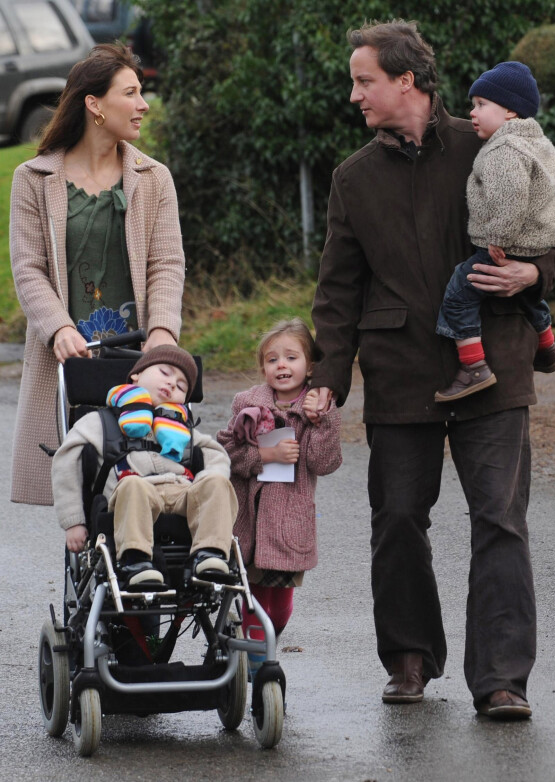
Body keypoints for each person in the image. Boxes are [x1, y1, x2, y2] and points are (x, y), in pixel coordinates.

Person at [309, 20, 555, 720]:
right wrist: (326, 382)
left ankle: (502, 680)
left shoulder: (491, 142)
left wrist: (531, 272)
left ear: (407, 80)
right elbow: (337, 292)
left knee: (500, 521)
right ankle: (409, 659)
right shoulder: (352, 179)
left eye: (364, 80)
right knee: (397, 518)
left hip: (496, 366)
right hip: (399, 373)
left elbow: (554, 234)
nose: (355, 93)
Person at [10, 43, 186, 507]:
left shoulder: (154, 177)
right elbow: (28, 269)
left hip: (139, 352)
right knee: (80, 485)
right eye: (130, 93)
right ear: (94, 105)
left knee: (148, 469)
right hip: (71, 355)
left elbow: (167, 263)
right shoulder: (33, 178)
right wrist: (58, 328)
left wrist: (163, 332)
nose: (143, 104)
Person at [52, 345, 238, 586]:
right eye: (164, 372)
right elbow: (66, 462)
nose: (172, 384)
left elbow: (217, 456)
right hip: (131, 494)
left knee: (217, 482)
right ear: (136, 375)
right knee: (133, 485)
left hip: (181, 493)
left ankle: (210, 553)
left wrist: (207, 479)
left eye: (181, 386)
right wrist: (74, 521)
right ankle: (136, 560)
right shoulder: (100, 423)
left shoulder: (181, 429)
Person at [217, 318, 342, 677]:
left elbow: (324, 461)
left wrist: (324, 421)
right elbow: (225, 453)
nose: (282, 365)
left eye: (291, 357)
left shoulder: (314, 411)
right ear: (263, 368)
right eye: (272, 360)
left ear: (310, 366)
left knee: (281, 607)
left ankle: (262, 647)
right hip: (250, 524)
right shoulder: (247, 405)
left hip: (288, 525)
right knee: (252, 598)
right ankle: (258, 670)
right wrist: (264, 457)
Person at [435, 61, 555, 402]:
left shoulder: (501, 151)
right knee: (524, 291)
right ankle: (547, 348)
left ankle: (473, 367)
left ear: (509, 110)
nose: (472, 112)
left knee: (460, 291)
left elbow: (510, 200)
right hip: (537, 242)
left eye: (481, 104)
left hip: (508, 243)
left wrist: (497, 240)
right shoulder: (537, 143)